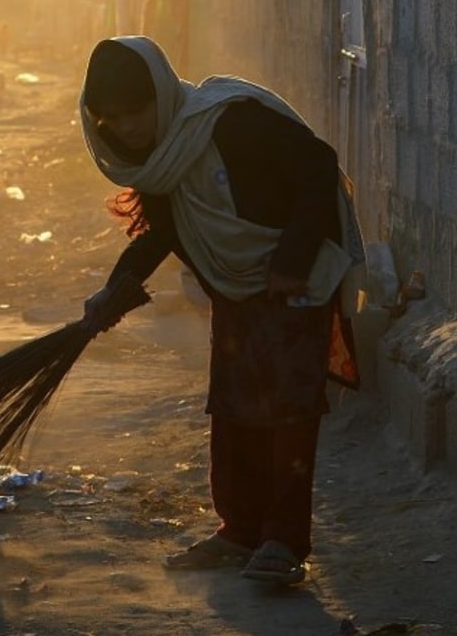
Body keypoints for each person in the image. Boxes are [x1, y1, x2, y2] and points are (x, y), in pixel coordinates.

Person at [79, 35, 363, 585]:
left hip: (296, 274)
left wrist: (292, 257)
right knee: (234, 406)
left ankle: (283, 541)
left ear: (159, 96)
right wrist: (114, 290)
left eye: (136, 111)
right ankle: (239, 532)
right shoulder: (158, 157)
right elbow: (163, 231)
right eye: (114, 118)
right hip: (235, 286)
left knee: (289, 408)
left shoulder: (230, 122)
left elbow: (318, 166)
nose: (129, 126)